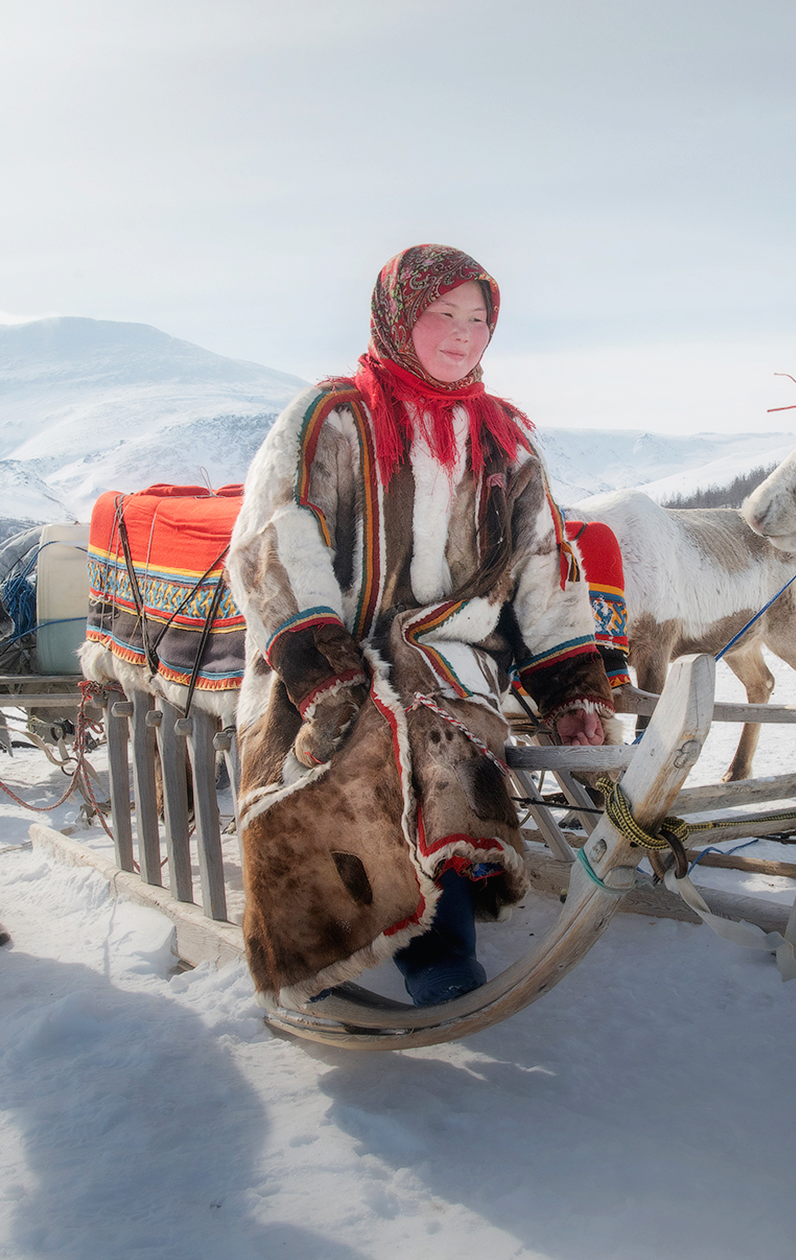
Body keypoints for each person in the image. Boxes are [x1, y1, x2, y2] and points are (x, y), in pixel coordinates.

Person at [229, 244, 612, 1008]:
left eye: (477, 319)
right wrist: (324, 663)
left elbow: (544, 566)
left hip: (454, 656)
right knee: (359, 738)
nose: (462, 334)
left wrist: (573, 685)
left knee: (449, 740)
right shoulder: (331, 419)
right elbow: (275, 535)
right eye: (442, 315)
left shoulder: (504, 440)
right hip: (331, 650)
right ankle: (339, 933)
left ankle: (443, 941)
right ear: (400, 318)